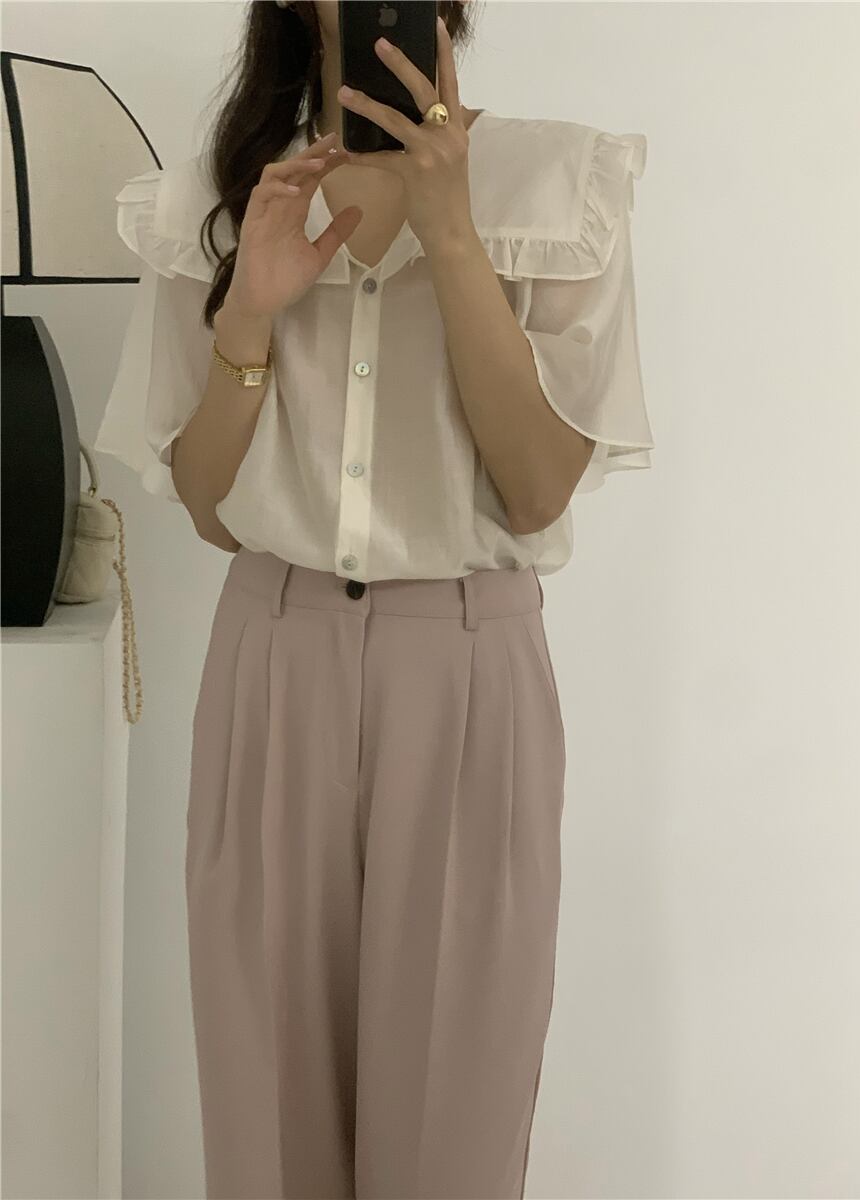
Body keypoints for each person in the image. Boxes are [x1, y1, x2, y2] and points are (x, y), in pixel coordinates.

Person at [94, 2, 654, 1196]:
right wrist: (252, 307)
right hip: (273, 659)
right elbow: (206, 503)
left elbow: (538, 489)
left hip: (467, 673)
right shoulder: (226, 190)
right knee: (266, 1112)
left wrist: (452, 235)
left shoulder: (561, 185)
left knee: (455, 1120)